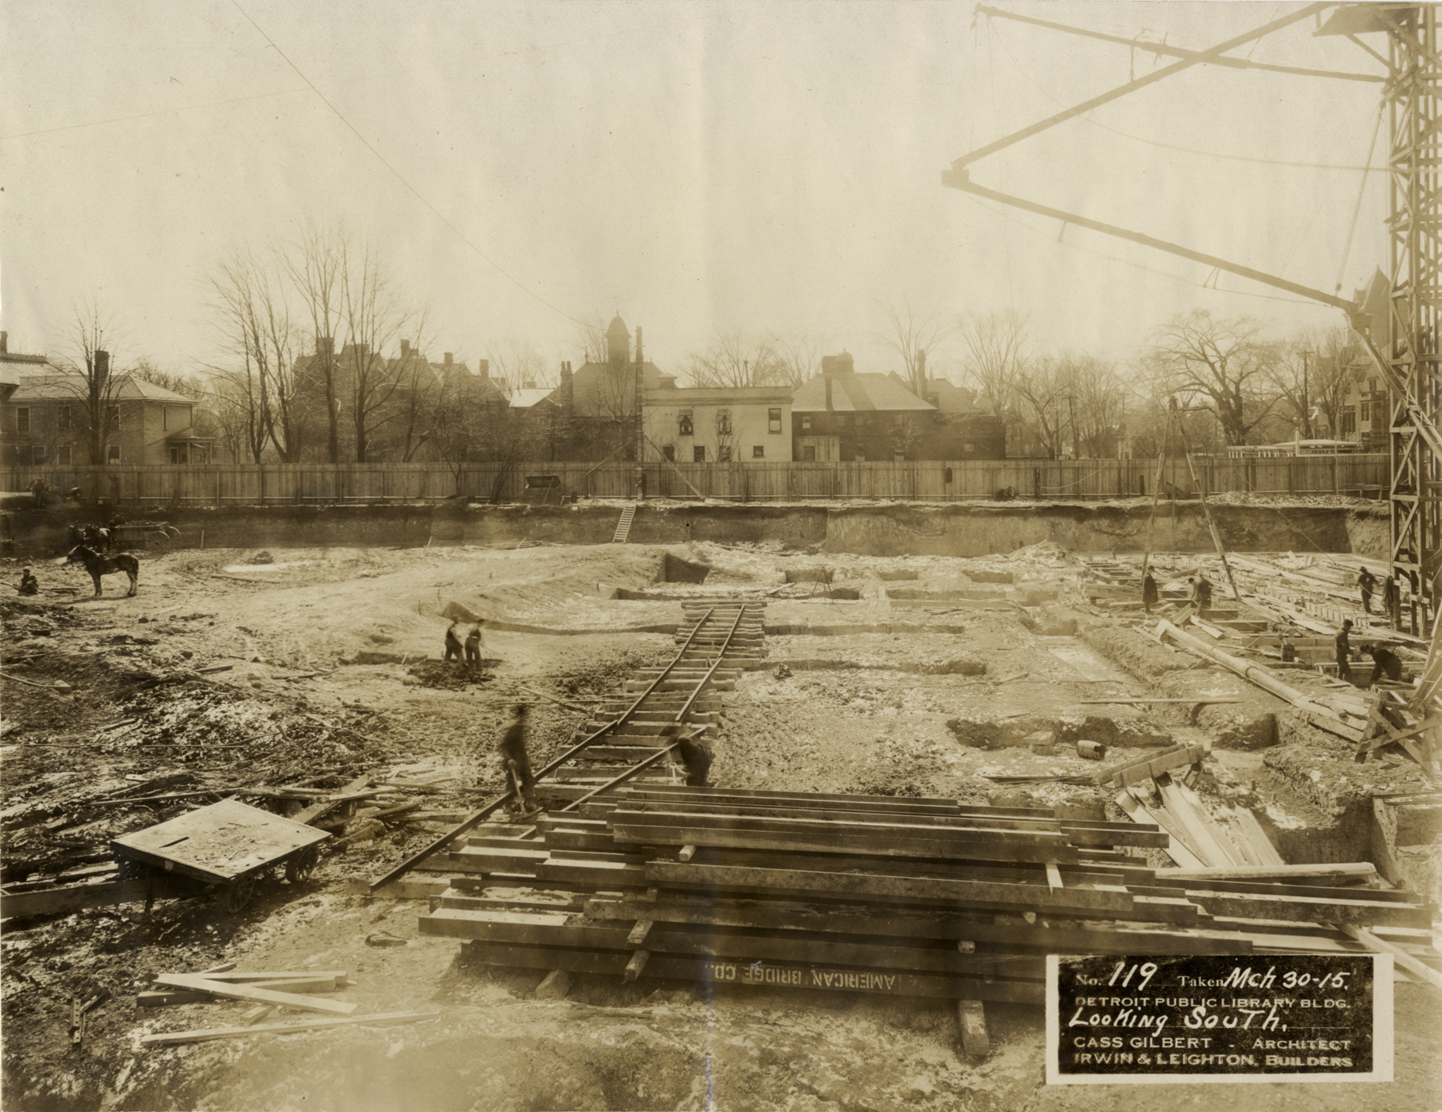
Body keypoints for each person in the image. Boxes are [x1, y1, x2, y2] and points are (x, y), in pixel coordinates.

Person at [498, 704, 539, 817]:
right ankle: (507, 805)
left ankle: (529, 802)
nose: (525, 721)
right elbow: (503, 746)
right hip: (514, 760)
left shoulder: (521, 728)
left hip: (522, 758)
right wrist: (509, 759)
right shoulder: (515, 728)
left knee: (529, 779)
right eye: (523, 717)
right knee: (512, 783)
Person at [1335, 619, 1354, 683]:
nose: (1349, 628)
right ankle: (1346, 684)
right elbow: (1344, 645)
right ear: (1345, 625)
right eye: (1349, 626)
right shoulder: (1342, 633)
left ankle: (1339, 682)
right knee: (1346, 671)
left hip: (1340, 654)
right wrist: (1350, 652)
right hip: (1341, 654)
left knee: (1341, 669)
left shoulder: (1340, 631)